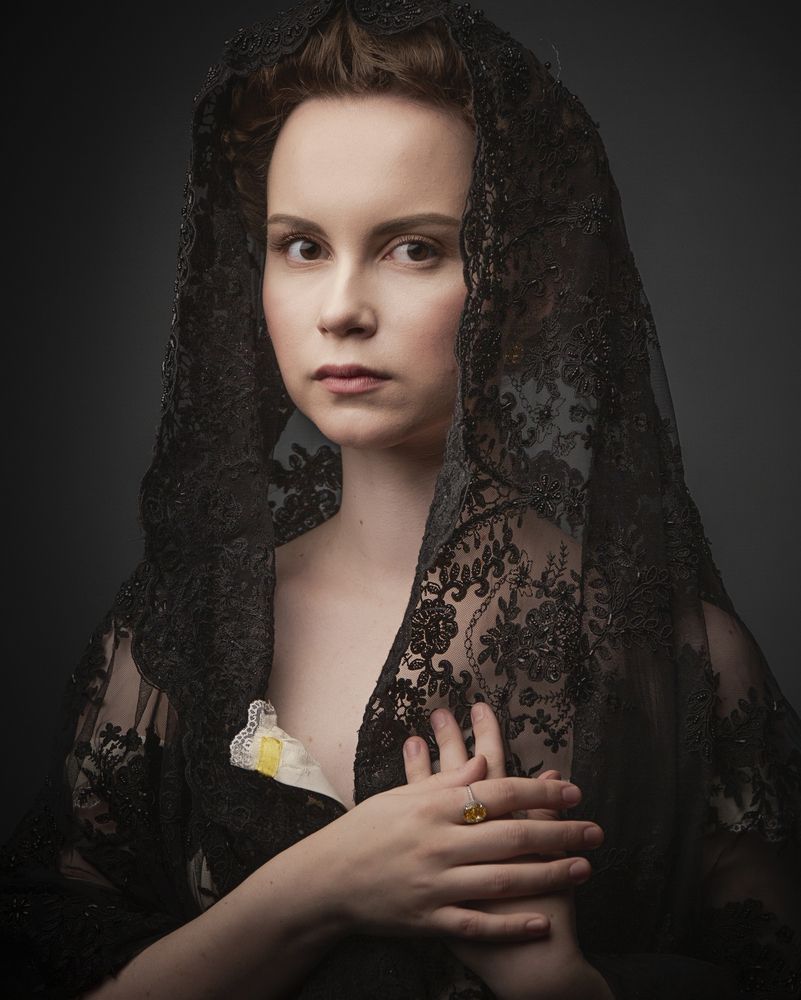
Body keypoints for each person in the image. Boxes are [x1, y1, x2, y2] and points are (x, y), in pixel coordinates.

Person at [1, 1, 799, 998]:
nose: (341, 308)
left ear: (530, 283)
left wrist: (560, 987)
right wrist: (319, 890)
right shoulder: (172, 639)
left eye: (413, 248)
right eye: (301, 246)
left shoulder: (678, 665)